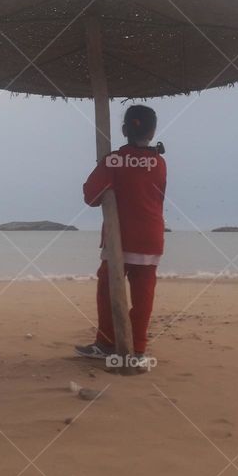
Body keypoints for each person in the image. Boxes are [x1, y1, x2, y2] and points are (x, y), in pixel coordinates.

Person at [75, 104, 166, 367]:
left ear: (125, 129)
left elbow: (91, 195)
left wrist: (106, 165)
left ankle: (106, 342)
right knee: (143, 294)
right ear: (153, 131)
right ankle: (137, 347)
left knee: (108, 286)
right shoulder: (160, 163)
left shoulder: (115, 160)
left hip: (121, 238)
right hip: (152, 237)